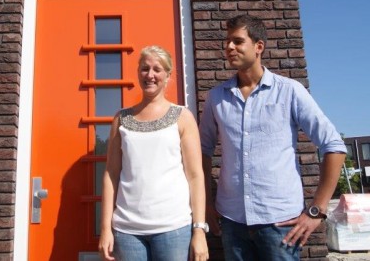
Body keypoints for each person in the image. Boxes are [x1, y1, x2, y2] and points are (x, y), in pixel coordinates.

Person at [199, 15, 346, 261]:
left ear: (259, 46)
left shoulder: (289, 91)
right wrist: (205, 203)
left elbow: (333, 145)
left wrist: (317, 210)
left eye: (238, 41)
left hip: (280, 222)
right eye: (228, 41)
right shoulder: (216, 97)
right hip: (232, 221)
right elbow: (202, 151)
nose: (229, 47)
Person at [98, 46, 209, 261]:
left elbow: (195, 176)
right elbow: (111, 174)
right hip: (127, 231)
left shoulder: (183, 117)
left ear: (168, 75)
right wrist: (105, 229)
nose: (150, 75)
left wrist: (199, 230)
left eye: (157, 69)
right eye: (144, 68)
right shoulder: (121, 119)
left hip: (174, 229)